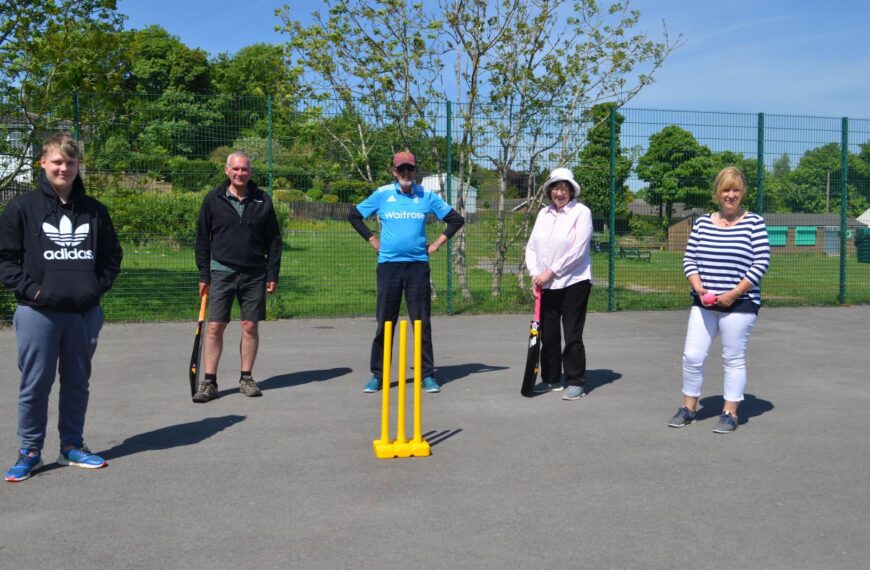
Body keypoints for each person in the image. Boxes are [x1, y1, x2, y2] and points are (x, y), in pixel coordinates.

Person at [0, 133, 123, 482]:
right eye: (57, 162)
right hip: (38, 313)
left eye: (70, 162)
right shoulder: (22, 208)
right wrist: (35, 292)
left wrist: (94, 289)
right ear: (43, 163)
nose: (64, 168)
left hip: (84, 314)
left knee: (77, 383)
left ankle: (71, 446)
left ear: (77, 166)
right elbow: (5, 260)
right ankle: (30, 452)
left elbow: (112, 257)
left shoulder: (95, 211)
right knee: (35, 384)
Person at [348, 151, 464, 393]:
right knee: (385, 321)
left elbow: (455, 219)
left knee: (421, 322)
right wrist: (372, 239)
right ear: (394, 171)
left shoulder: (426, 195)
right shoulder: (382, 194)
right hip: (389, 267)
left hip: (417, 267)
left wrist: (436, 244)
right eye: (401, 169)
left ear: (415, 171)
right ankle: (378, 375)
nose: (406, 173)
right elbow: (355, 215)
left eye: (410, 169)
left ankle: (427, 374)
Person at [668, 166, 770, 433]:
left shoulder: (754, 222)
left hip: (740, 303)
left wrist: (735, 292)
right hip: (705, 303)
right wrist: (699, 287)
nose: (731, 195)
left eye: (736, 190)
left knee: (733, 357)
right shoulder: (702, 222)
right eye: (726, 189)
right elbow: (690, 259)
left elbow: (761, 261)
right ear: (717, 193)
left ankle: (730, 413)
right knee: (692, 356)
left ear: (742, 193)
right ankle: (689, 408)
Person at [193, 151, 282, 402]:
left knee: (250, 325)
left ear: (250, 173)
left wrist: (272, 273)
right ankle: (209, 382)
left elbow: (274, 240)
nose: (240, 173)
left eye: (244, 169)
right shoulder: (213, 199)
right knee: (215, 327)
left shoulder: (262, 200)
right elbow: (202, 239)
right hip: (221, 271)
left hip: (255, 273)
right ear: (226, 170)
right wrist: (204, 273)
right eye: (236, 169)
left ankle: (246, 378)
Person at [524, 167, 593, 401]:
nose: (559, 192)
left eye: (564, 188)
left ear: (572, 191)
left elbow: (578, 251)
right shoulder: (543, 214)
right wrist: (535, 274)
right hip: (546, 284)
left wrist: (550, 272)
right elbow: (532, 247)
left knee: (572, 332)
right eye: (555, 187)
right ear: (550, 191)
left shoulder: (582, 213)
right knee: (549, 335)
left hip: (575, 282)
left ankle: (575, 381)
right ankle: (552, 378)